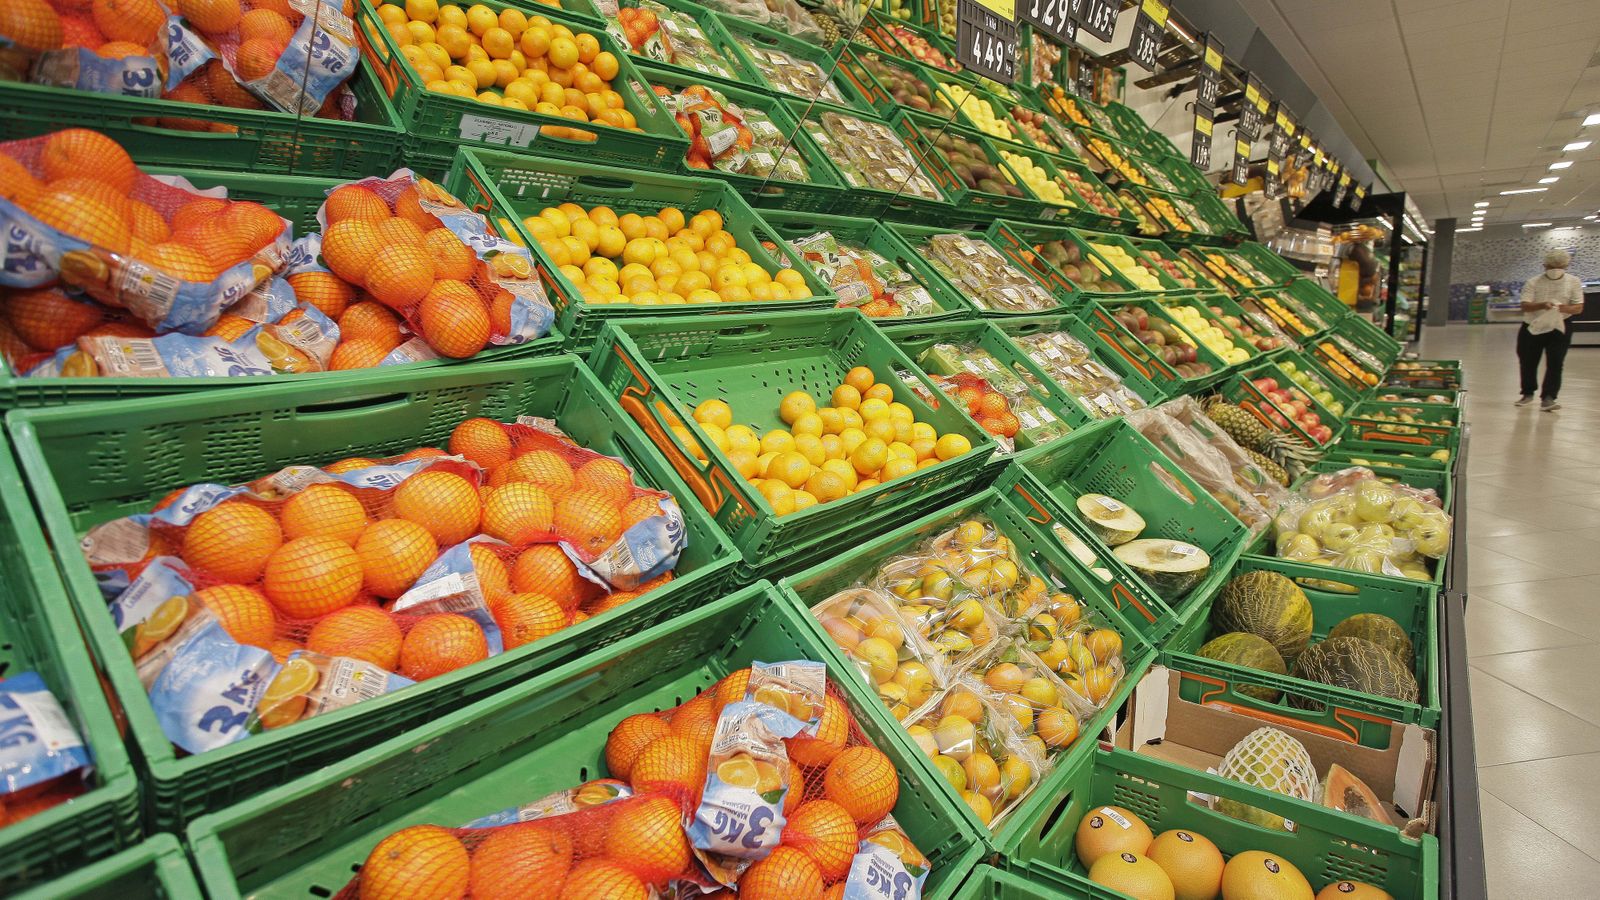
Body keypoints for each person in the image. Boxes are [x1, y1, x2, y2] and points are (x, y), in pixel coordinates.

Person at [1516, 249, 1585, 411]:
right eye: (1551, 266)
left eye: (1559, 266)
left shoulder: (1573, 282)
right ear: (1544, 266)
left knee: (1556, 361)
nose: (1555, 269)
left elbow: (1578, 307)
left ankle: (1549, 397)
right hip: (1532, 326)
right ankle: (1527, 392)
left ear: (1567, 265)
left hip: (1560, 326)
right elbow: (1525, 305)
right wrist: (1542, 304)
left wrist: (1562, 308)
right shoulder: (1533, 282)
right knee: (1528, 360)